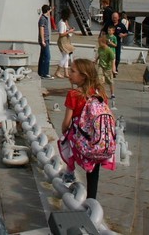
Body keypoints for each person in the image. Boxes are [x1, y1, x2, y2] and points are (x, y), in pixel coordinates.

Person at [60, 58, 114, 199]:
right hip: (97, 140)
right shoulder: (100, 94)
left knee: (65, 141)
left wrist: (64, 131)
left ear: (83, 76)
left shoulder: (73, 94)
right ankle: (92, 198)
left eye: (72, 71)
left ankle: (69, 173)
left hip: (80, 140)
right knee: (93, 170)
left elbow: (66, 123)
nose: (69, 74)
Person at [53, 7, 75, 78]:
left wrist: (69, 29)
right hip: (62, 41)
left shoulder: (64, 22)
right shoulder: (62, 23)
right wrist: (69, 31)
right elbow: (61, 33)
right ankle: (58, 71)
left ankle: (66, 73)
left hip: (65, 40)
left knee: (66, 56)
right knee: (65, 56)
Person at [96, 33, 115, 99]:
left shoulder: (109, 51)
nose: (98, 44)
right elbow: (99, 55)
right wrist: (95, 60)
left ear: (104, 42)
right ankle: (103, 93)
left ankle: (112, 93)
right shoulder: (99, 48)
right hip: (101, 66)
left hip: (108, 67)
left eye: (99, 42)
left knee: (110, 81)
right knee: (100, 80)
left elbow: (113, 60)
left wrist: (113, 68)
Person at [37, 4, 52, 79]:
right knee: (47, 57)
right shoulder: (43, 19)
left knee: (42, 56)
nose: (50, 12)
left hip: (45, 39)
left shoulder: (44, 18)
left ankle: (40, 73)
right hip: (44, 40)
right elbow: (41, 29)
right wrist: (43, 40)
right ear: (47, 11)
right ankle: (45, 73)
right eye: (49, 10)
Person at [113, 11, 129, 75]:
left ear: (118, 18)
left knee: (117, 57)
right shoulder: (109, 23)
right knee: (110, 57)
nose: (114, 19)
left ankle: (115, 68)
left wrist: (123, 35)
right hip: (109, 43)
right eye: (113, 17)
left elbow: (126, 32)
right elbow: (103, 31)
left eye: (115, 17)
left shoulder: (121, 25)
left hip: (117, 43)